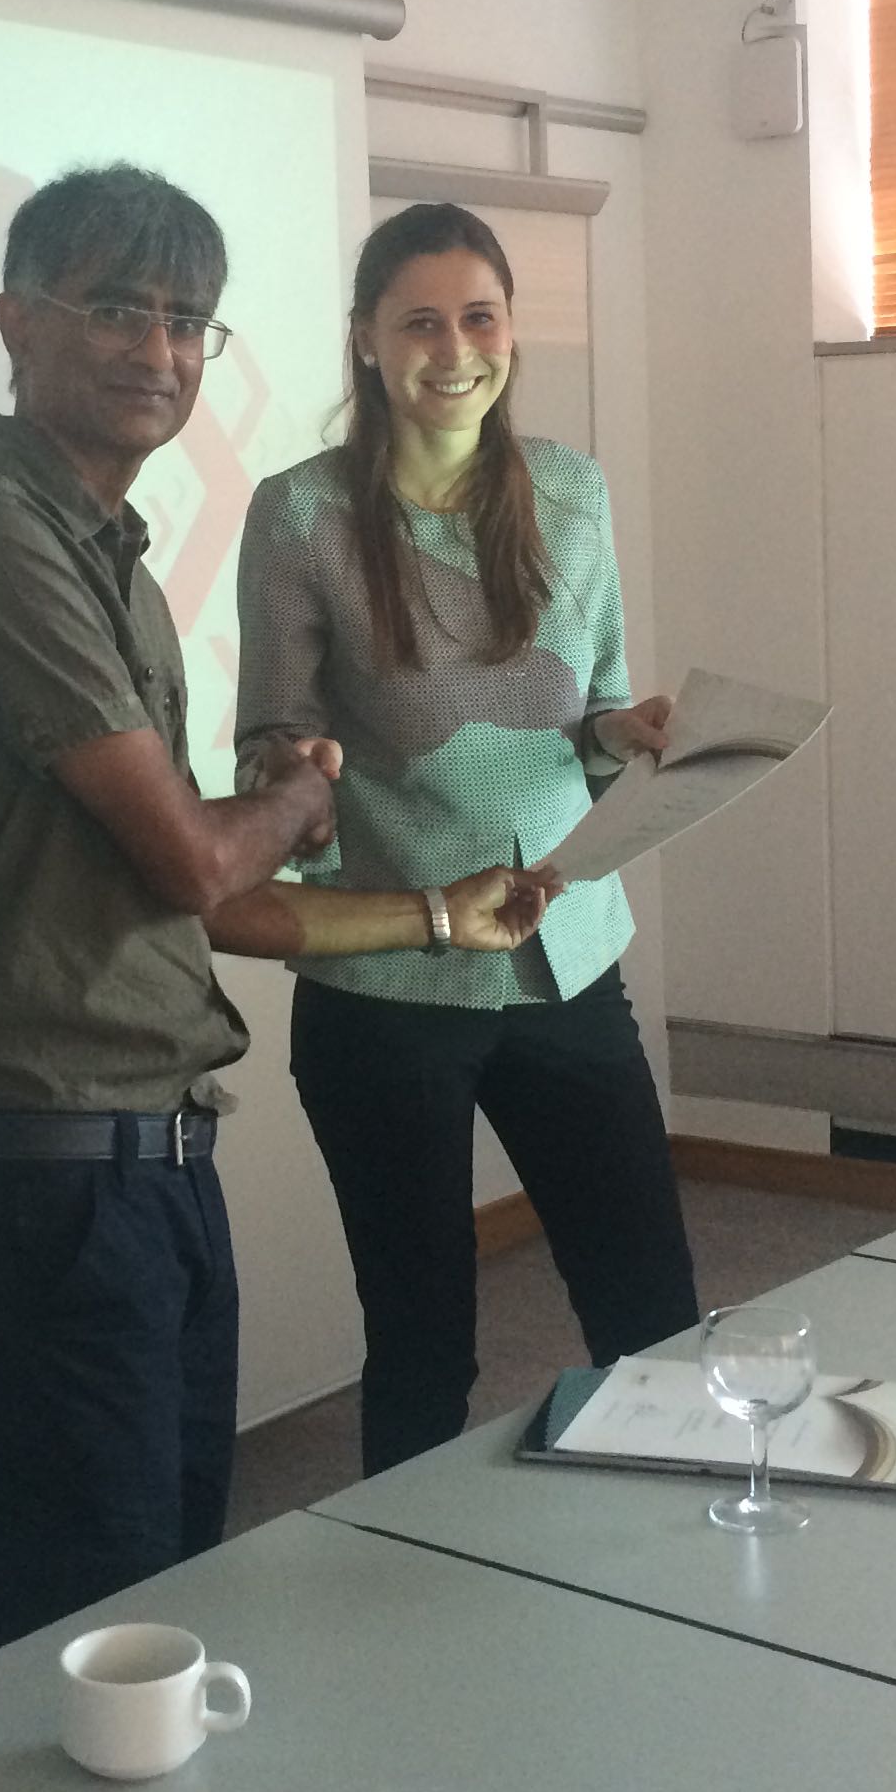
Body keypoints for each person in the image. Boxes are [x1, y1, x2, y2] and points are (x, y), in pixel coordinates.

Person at [0, 164, 548, 1662]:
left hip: (146, 1172)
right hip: (45, 1194)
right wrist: (302, 796)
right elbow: (193, 859)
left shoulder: (113, 562)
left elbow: (206, 909)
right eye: (117, 309)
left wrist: (438, 919)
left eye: (190, 321)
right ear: (15, 321)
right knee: (74, 1636)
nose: (160, 352)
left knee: (164, 1599)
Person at [234, 201, 700, 1477]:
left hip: (565, 953)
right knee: (424, 1344)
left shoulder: (571, 490)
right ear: (368, 345)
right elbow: (266, 740)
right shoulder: (301, 516)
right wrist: (297, 769)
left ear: (510, 333)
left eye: (480, 317)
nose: (455, 349)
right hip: (391, 979)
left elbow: (584, 716)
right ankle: (412, 1605)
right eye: (421, 322)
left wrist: (630, 729)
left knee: (648, 1315)